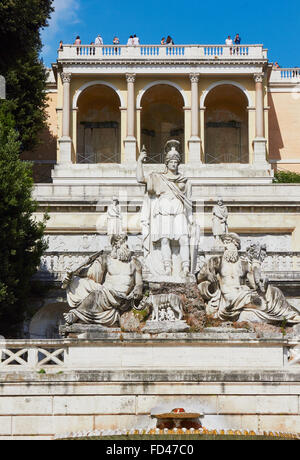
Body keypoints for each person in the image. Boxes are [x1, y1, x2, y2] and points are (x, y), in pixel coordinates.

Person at [197, 233, 300, 325]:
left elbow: (255, 284)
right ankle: (283, 316)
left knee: (274, 292)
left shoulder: (244, 264)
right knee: (259, 303)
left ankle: (289, 315)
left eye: (229, 242)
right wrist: (209, 276)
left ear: (236, 245)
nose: (226, 245)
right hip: (229, 296)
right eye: (225, 243)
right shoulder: (216, 261)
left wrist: (261, 282)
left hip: (244, 293)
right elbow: (200, 276)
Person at [137, 142, 193, 277]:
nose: (174, 164)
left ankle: (185, 267)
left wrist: (191, 219)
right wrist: (139, 162)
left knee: (184, 239)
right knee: (164, 239)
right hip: (163, 209)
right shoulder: (158, 177)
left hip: (178, 209)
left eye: (176, 162)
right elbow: (140, 179)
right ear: (166, 163)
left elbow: (188, 202)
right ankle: (167, 267)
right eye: (171, 161)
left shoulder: (184, 180)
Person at [62, 234, 143, 327]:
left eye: (123, 242)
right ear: (114, 246)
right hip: (106, 292)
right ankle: (76, 314)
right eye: (117, 244)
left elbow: (139, 283)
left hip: (122, 299)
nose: (121, 245)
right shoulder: (106, 259)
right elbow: (89, 273)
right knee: (83, 286)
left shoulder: (135, 262)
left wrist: (138, 289)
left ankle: (76, 314)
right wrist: (74, 272)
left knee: (96, 295)